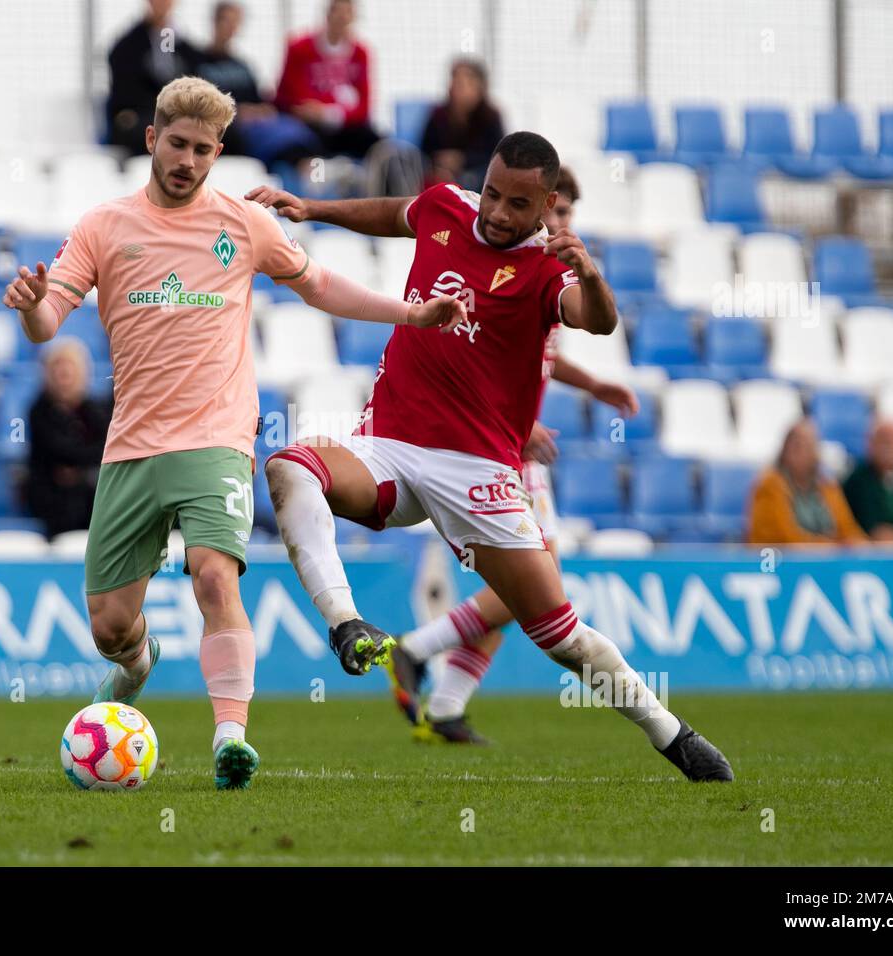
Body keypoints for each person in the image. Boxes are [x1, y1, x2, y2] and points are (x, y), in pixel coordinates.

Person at [2, 76, 465, 790]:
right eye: (177, 144)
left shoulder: (243, 225)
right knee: (109, 627)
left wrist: (410, 314)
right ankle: (137, 663)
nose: (188, 160)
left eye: (203, 150)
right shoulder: (103, 226)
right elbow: (47, 320)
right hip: (130, 448)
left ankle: (230, 741)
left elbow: (321, 286)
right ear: (153, 140)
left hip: (217, 438)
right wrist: (32, 308)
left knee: (216, 577)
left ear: (219, 152)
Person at [248, 133, 734, 782]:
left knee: (562, 637)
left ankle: (670, 734)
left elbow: (597, 322)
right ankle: (347, 625)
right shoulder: (447, 207)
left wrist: (590, 273)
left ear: (548, 205)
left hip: (478, 471)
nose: (500, 213)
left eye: (519, 204)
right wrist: (312, 207)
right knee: (289, 465)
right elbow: (397, 214)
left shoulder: (546, 270)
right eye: (494, 194)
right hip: (388, 447)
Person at [383, 166, 641, 745]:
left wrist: (594, 385)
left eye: (569, 214)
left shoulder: (552, 273)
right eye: (555, 212)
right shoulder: (513, 267)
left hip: (506, 446)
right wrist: (517, 430)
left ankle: (446, 706)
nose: (560, 223)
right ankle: (418, 650)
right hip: (494, 453)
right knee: (532, 584)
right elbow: (476, 359)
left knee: (517, 590)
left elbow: (545, 355)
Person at [195, 1, 322, 165]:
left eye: (236, 22)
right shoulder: (197, 62)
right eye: (227, 21)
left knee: (300, 133)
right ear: (215, 21)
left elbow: (259, 99)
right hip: (232, 126)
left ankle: (314, 171)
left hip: (259, 123)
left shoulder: (242, 65)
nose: (231, 27)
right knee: (282, 147)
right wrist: (237, 111)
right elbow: (198, 103)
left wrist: (263, 109)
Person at [26, 337, 113, 539]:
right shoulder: (39, 411)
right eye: (58, 368)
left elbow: (109, 446)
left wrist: (79, 471)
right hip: (54, 498)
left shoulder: (93, 409)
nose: (64, 375)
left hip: (90, 492)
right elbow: (60, 451)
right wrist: (87, 462)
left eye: (70, 368)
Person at [273, 0, 379, 160]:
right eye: (338, 12)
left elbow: (364, 107)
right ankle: (318, 180)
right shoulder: (299, 47)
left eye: (347, 13)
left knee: (377, 144)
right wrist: (332, 106)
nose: (342, 18)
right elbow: (290, 96)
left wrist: (330, 112)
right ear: (328, 14)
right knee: (304, 148)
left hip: (346, 125)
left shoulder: (360, 53)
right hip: (308, 127)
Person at [747, 419, 867, 546]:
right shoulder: (768, 485)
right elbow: (785, 540)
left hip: (830, 559)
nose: (802, 450)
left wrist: (860, 544)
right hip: (781, 562)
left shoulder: (827, 485)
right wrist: (829, 546)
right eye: (796, 445)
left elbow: (848, 529)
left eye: (809, 445)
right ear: (784, 449)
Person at [104, 0, 201, 156]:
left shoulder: (172, 39)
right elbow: (126, 90)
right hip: (141, 114)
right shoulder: (130, 44)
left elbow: (174, 72)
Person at [420, 59, 505, 193]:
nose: (455, 87)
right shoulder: (438, 115)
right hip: (440, 175)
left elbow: (497, 155)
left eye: (462, 84)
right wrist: (439, 163)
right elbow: (425, 150)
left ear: (478, 87)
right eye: (454, 80)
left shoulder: (490, 116)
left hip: (476, 178)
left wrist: (462, 160)